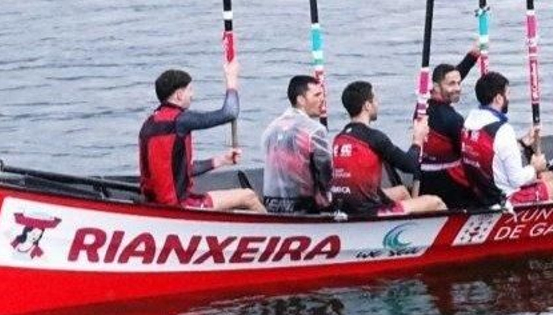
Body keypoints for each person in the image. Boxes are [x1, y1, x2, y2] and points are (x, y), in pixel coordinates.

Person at [139, 59, 264, 212]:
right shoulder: (180, 121)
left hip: (155, 203)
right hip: (179, 206)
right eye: (190, 90)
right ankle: (275, 226)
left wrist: (221, 160)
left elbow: (182, 170)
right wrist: (231, 80)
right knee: (249, 196)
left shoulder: (149, 123)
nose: (192, 95)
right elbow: (230, 112)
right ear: (179, 95)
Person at [462, 72, 553, 206]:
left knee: (551, 176)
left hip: (485, 191)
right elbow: (517, 180)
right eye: (508, 93)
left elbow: (494, 152)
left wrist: (523, 143)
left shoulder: (469, 122)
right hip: (507, 198)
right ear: (499, 98)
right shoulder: (503, 131)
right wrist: (534, 167)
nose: (509, 98)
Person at [332, 81, 446, 216]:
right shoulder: (374, 138)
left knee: (402, 192)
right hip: (367, 212)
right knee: (436, 202)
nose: (377, 104)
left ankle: (412, 224)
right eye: (375, 100)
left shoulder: (339, 138)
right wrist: (418, 139)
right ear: (367, 106)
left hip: (345, 206)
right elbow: (409, 165)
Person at [417, 48, 483, 209]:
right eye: (452, 84)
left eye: (459, 83)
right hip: (448, 185)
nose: (458, 88)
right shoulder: (453, 120)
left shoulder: (422, 103)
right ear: (436, 87)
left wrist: (473, 55)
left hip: (423, 178)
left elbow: (451, 77)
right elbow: (468, 155)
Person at [261, 74, 334, 214]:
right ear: (301, 99)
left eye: (322, 95)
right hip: (302, 206)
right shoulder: (315, 130)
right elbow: (326, 173)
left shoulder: (270, 129)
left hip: (271, 204)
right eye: (317, 95)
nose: (322, 100)